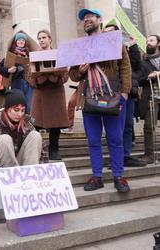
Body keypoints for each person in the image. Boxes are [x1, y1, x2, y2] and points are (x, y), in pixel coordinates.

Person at [69, 9, 132, 193]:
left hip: (114, 98)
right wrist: (80, 70)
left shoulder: (114, 40)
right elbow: (72, 75)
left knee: (115, 139)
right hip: (89, 99)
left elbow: (125, 67)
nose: (86, 20)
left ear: (99, 20)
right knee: (93, 140)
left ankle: (118, 176)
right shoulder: (79, 47)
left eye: (90, 17)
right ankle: (97, 177)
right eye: (84, 19)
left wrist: (125, 95)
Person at [0, 89, 48, 193]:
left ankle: (30, 182)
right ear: (7, 109)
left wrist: (41, 173)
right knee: (4, 139)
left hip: (20, 170)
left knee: (36, 135)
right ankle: (14, 186)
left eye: (23, 110)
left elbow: (42, 152)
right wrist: (6, 178)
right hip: (1, 172)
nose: (20, 114)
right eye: (16, 109)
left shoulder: (26, 123)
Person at [104, 20, 146, 167]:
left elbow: (137, 67)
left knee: (127, 125)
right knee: (115, 127)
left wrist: (134, 46)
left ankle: (125, 155)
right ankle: (116, 156)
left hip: (128, 92)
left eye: (112, 32)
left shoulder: (127, 48)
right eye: (106, 32)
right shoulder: (104, 49)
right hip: (111, 93)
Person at [28, 29, 69, 160]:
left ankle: (54, 150)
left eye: (44, 37)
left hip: (55, 93)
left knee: (55, 124)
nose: (41, 40)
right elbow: (29, 75)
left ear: (50, 39)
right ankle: (37, 150)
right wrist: (36, 80)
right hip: (40, 92)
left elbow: (65, 73)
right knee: (36, 124)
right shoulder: (34, 56)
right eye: (39, 38)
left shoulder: (59, 54)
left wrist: (57, 77)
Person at [0, 31, 37, 114]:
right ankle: (19, 126)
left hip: (29, 83)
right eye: (19, 40)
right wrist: (8, 70)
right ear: (16, 42)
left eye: (23, 40)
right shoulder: (11, 55)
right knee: (18, 106)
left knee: (29, 106)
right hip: (17, 83)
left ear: (25, 42)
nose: (21, 41)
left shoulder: (30, 54)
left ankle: (28, 125)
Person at [138, 35, 160, 164]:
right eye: (147, 41)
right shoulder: (143, 62)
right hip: (151, 97)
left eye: (151, 41)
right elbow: (139, 80)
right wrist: (149, 77)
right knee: (148, 126)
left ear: (158, 43)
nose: (148, 43)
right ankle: (149, 154)